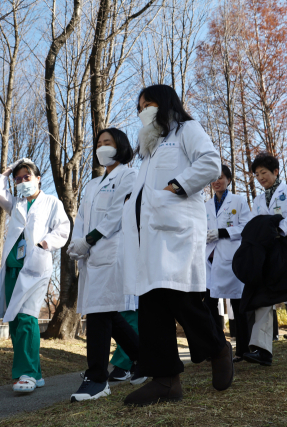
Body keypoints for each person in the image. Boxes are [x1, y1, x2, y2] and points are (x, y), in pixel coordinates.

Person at [121, 84, 233, 406]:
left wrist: (176, 187)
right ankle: (165, 380)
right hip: (151, 236)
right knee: (152, 303)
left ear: (166, 102)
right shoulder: (150, 148)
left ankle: (217, 348)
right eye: (139, 106)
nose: (142, 110)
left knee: (181, 297)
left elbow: (210, 163)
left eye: (148, 103)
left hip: (178, 229)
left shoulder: (186, 129)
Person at [67, 128, 145, 402]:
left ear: (120, 146)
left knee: (100, 312)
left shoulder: (130, 175)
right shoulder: (92, 184)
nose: (101, 147)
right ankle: (142, 358)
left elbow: (117, 215)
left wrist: (89, 240)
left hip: (112, 251)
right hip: (91, 256)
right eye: (98, 143)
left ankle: (97, 378)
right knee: (107, 312)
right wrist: (77, 243)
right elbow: (81, 218)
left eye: (107, 142)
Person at [0, 158, 70, 393]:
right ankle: (33, 372)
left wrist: (46, 243)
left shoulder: (51, 202)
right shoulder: (16, 203)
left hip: (36, 267)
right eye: (18, 178)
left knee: (26, 317)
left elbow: (63, 228)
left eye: (27, 177)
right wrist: (8, 171)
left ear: (38, 178)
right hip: (14, 267)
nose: (23, 182)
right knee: (15, 319)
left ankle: (28, 374)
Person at [243, 153, 287, 366]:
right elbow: (255, 224)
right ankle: (262, 350)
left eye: (263, 172)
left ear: (275, 172)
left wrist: (277, 230)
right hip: (267, 252)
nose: (260, 177)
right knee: (263, 298)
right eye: (256, 174)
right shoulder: (257, 199)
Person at [205, 164, 252, 362]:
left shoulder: (238, 201)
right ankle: (217, 348)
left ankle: (243, 350)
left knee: (238, 305)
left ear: (229, 180)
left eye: (221, 177)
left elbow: (247, 226)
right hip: (211, 258)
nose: (217, 181)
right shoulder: (206, 205)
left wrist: (223, 232)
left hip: (233, 258)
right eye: (214, 178)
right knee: (209, 304)